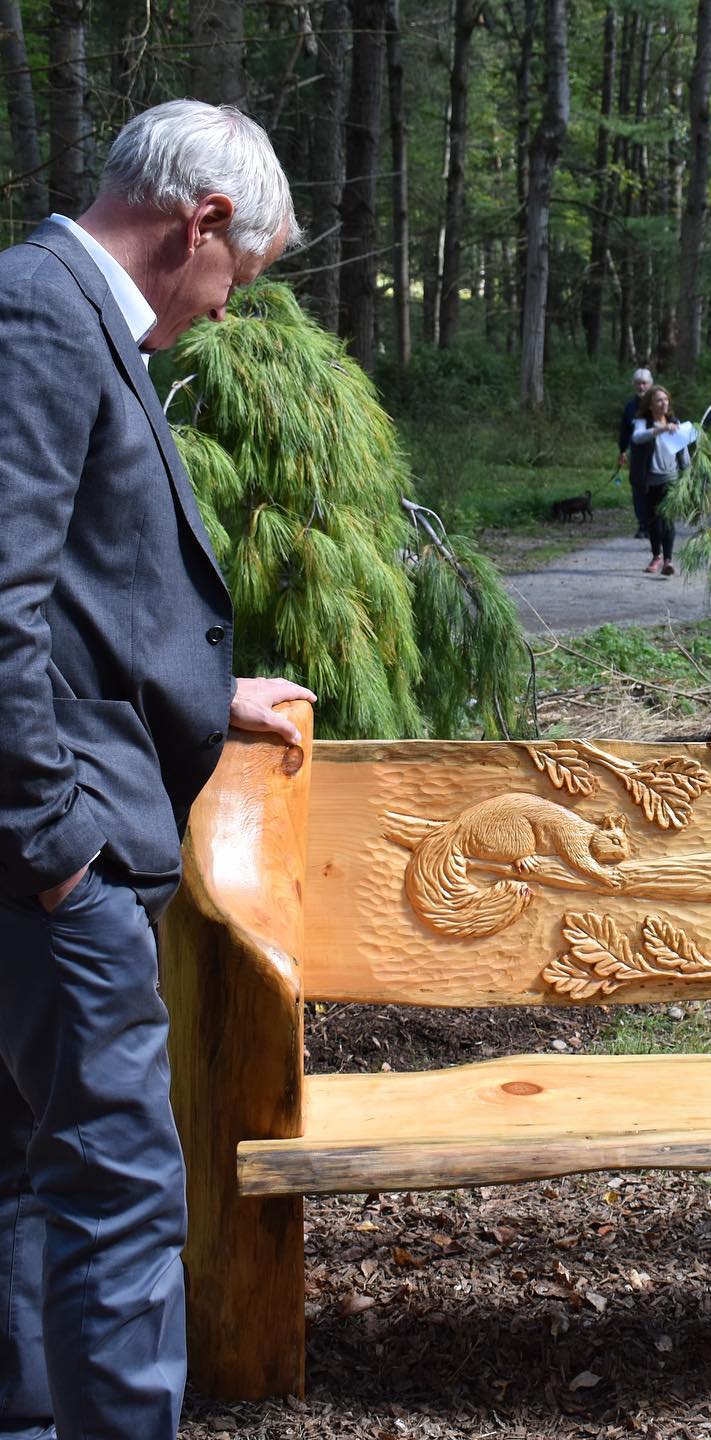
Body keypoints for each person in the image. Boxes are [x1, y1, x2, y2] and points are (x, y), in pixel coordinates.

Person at [0, 100, 314, 1440]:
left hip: (48, 848)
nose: (223, 311)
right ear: (205, 223)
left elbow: (80, 588)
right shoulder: (38, 316)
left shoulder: (55, 315)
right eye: (234, 281)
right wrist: (54, 842)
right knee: (122, 1197)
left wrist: (201, 689)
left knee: (29, 1179)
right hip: (57, 864)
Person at [630, 385, 689, 576]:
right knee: (654, 520)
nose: (664, 403)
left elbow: (683, 450)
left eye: (666, 399)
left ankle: (668, 561)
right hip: (650, 479)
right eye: (659, 400)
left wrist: (687, 472)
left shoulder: (675, 422)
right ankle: (656, 556)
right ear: (650, 405)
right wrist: (660, 430)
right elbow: (637, 438)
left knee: (668, 519)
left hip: (671, 477)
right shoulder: (643, 422)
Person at [617, 366, 653, 538]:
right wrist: (622, 450)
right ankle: (642, 524)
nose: (641, 387)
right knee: (638, 488)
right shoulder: (630, 407)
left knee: (655, 488)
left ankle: (654, 523)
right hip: (637, 455)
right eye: (638, 384)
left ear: (650, 385)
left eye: (644, 383)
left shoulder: (658, 403)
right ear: (634, 385)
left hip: (656, 455)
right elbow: (624, 430)